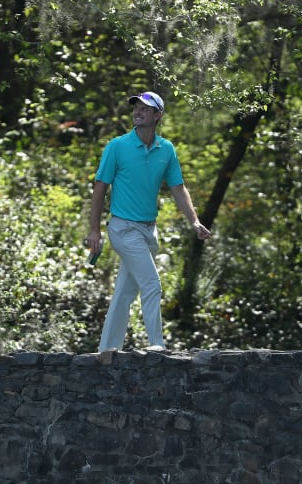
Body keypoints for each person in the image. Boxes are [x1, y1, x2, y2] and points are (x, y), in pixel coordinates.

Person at [86, 91, 212, 352]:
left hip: (148, 232)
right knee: (152, 284)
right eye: (136, 108)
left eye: (145, 108)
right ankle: (157, 345)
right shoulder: (117, 146)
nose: (137, 112)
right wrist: (94, 230)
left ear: (157, 116)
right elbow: (100, 187)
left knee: (124, 294)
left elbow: (178, 187)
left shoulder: (166, 149)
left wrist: (195, 221)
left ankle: (107, 351)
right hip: (122, 228)